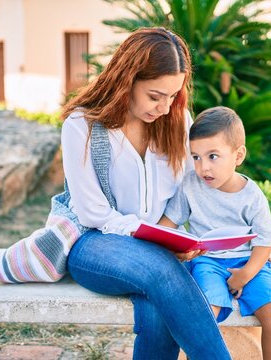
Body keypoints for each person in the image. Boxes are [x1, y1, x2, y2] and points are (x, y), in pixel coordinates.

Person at [60, 27, 231, 360]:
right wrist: (157, 240)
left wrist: (175, 234)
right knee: (161, 269)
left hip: (162, 248)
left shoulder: (177, 120)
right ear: (127, 79)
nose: (165, 108)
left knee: (156, 305)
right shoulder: (82, 126)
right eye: (155, 96)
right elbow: (92, 213)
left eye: (173, 96)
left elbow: (190, 189)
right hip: (95, 245)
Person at [159, 106, 271, 360]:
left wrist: (245, 274)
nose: (203, 167)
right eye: (195, 157)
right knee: (207, 312)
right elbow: (166, 225)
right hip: (206, 261)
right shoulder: (190, 186)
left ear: (238, 155)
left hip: (250, 264)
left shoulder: (252, 196)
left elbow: (265, 243)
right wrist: (176, 247)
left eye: (213, 156)